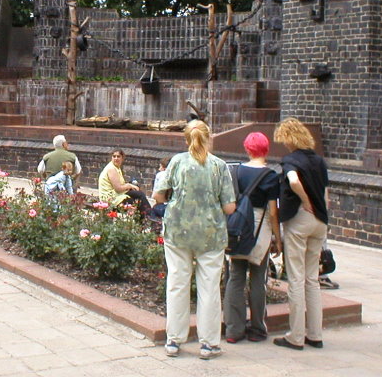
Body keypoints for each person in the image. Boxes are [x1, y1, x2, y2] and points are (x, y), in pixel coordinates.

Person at [154, 120, 236, 360]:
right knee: (209, 287)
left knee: (177, 283)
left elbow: (158, 196)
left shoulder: (176, 162)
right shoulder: (219, 166)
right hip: (211, 233)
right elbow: (230, 207)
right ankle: (209, 343)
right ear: (209, 138)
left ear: (186, 139)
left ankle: (174, 340)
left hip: (178, 231)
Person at [273, 118, 329, 351]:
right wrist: (320, 212)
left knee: (295, 278)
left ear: (289, 138)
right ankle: (315, 334)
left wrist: (305, 201)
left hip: (300, 219)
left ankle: (295, 336)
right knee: (312, 279)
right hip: (320, 221)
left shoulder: (291, 160)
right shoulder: (319, 161)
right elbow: (326, 193)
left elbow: (294, 181)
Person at [223, 132, 282, 344]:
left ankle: (233, 329)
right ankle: (257, 328)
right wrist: (278, 237)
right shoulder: (271, 176)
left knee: (235, 278)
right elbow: (273, 212)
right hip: (260, 229)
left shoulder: (236, 171)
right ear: (266, 149)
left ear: (247, 149)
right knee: (258, 279)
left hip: (239, 228)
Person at [97, 149, 151, 216]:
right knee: (133, 201)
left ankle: (148, 217)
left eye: (118, 156)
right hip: (110, 198)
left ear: (122, 158)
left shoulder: (117, 167)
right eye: (114, 156)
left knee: (139, 195)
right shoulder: (111, 169)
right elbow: (118, 188)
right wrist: (129, 185)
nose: (116, 158)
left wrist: (130, 186)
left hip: (116, 194)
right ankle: (149, 217)